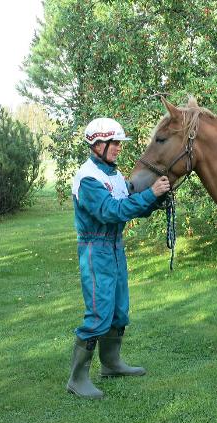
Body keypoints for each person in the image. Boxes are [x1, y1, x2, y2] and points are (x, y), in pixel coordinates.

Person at [66, 117, 170, 399]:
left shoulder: (113, 175)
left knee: (119, 310)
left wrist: (156, 199)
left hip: (114, 247)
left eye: (118, 143)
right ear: (97, 144)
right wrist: (150, 194)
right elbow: (110, 211)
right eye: (113, 143)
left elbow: (129, 206)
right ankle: (77, 379)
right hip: (95, 249)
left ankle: (111, 364)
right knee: (99, 312)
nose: (118, 148)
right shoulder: (89, 178)